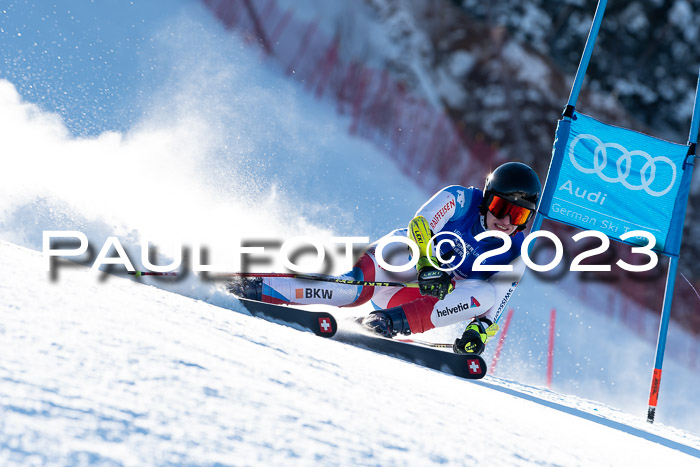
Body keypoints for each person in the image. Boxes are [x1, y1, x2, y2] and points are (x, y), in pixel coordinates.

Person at [229, 162, 541, 355]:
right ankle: (258, 286)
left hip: (415, 301)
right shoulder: (460, 199)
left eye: (519, 214)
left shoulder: (515, 252)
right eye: (502, 208)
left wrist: (478, 330)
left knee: (483, 291)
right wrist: (427, 265)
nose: (507, 221)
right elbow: (421, 224)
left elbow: (496, 300)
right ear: (487, 199)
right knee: (353, 292)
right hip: (401, 263)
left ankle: (386, 324)